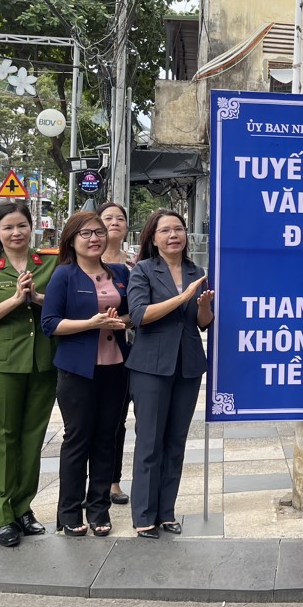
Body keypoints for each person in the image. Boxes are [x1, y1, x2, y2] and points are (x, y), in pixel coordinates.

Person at [0, 201, 58, 548]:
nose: (16, 233)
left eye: (21, 225)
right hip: (4, 364)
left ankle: (23, 508)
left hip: (44, 362)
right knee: (2, 438)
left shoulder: (50, 261)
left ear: (31, 227)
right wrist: (14, 300)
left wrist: (36, 298)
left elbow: (64, 304)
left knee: (33, 438)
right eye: (7, 228)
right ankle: (1, 515)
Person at [41, 211, 130, 537]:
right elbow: (50, 324)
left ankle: (99, 510)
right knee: (78, 440)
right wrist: (91, 324)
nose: (94, 238)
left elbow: (131, 312)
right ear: (72, 240)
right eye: (86, 234)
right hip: (77, 369)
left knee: (107, 439)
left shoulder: (120, 272)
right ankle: (68, 511)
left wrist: (124, 320)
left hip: (116, 366)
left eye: (98, 232)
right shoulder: (64, 275)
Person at [126, 209, 213, 538]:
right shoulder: (144, 271)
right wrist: (183, 297)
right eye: (166, 230)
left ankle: (166, 512)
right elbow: (139, 315)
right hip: (150, 366)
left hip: (188, 364)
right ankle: (144, 516)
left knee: (176, 442)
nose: (174, 235)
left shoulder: (198, 271)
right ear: (153, 237)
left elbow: (202, 322)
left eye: (179, 229)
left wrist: (203, 304)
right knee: (150, 442)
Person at [98, 201, 134, 507]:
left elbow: (137, 311)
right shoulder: (81, 262)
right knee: (84, 423)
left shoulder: (134, 264)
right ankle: (89, 483)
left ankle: (113, 481)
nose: (113, 222)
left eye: (119, 218)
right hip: (86, 351)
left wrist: (118, 321)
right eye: (107, 218)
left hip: (124, 350)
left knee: (116, 419)